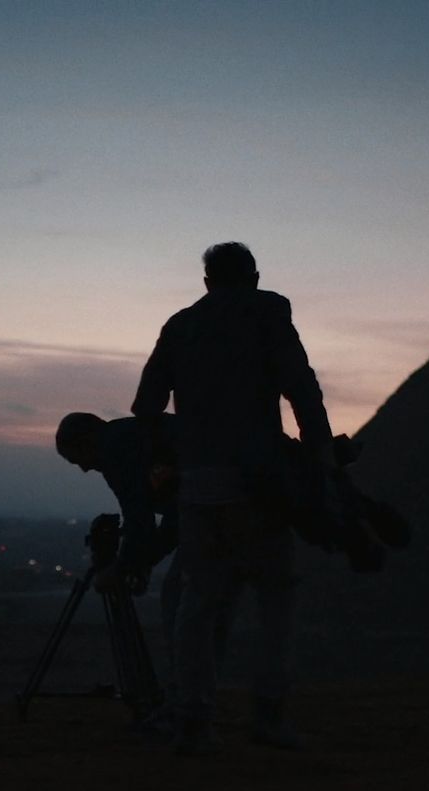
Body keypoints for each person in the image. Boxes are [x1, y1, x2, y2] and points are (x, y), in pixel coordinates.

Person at [131, 241, 331, 755]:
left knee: (198, 603)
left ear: (206, 283)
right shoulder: (268, 310)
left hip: (199, 484)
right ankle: (268, 715)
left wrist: (167, 463)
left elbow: (147, 406)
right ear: (256, 276)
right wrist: (320, 457)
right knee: (276, 596)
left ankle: (193, 721)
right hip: (258, 483)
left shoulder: (179, 325)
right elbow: (300, 386)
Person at [55, 411, 232, 725]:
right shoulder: (133, 438)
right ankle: (194, 699)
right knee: (201, 609)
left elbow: (140, 519)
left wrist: (123, 568)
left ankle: (185, 706)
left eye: (78, 459)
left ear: (87, 440)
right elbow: (170, 519)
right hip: (221, 505)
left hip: (219, 510)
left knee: (181, 603)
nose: (84, 469)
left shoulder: (115, 450)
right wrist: (141, 561)